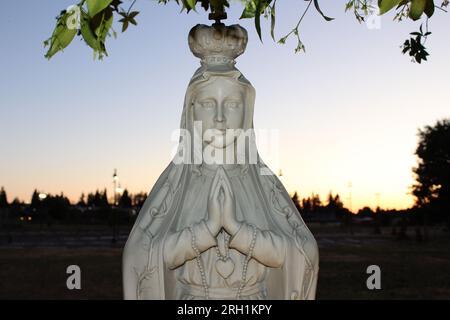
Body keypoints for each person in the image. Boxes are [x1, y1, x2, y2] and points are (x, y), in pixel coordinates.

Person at [122, 23, 319, 300]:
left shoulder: (262, 181)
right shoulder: (177, 182)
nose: (219, 118)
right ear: (191, 111)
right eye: (206, 103)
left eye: (232, 104)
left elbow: (300, 251)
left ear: (247, 111)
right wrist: (207, 229)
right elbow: (141, 255)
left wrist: (237, 229)